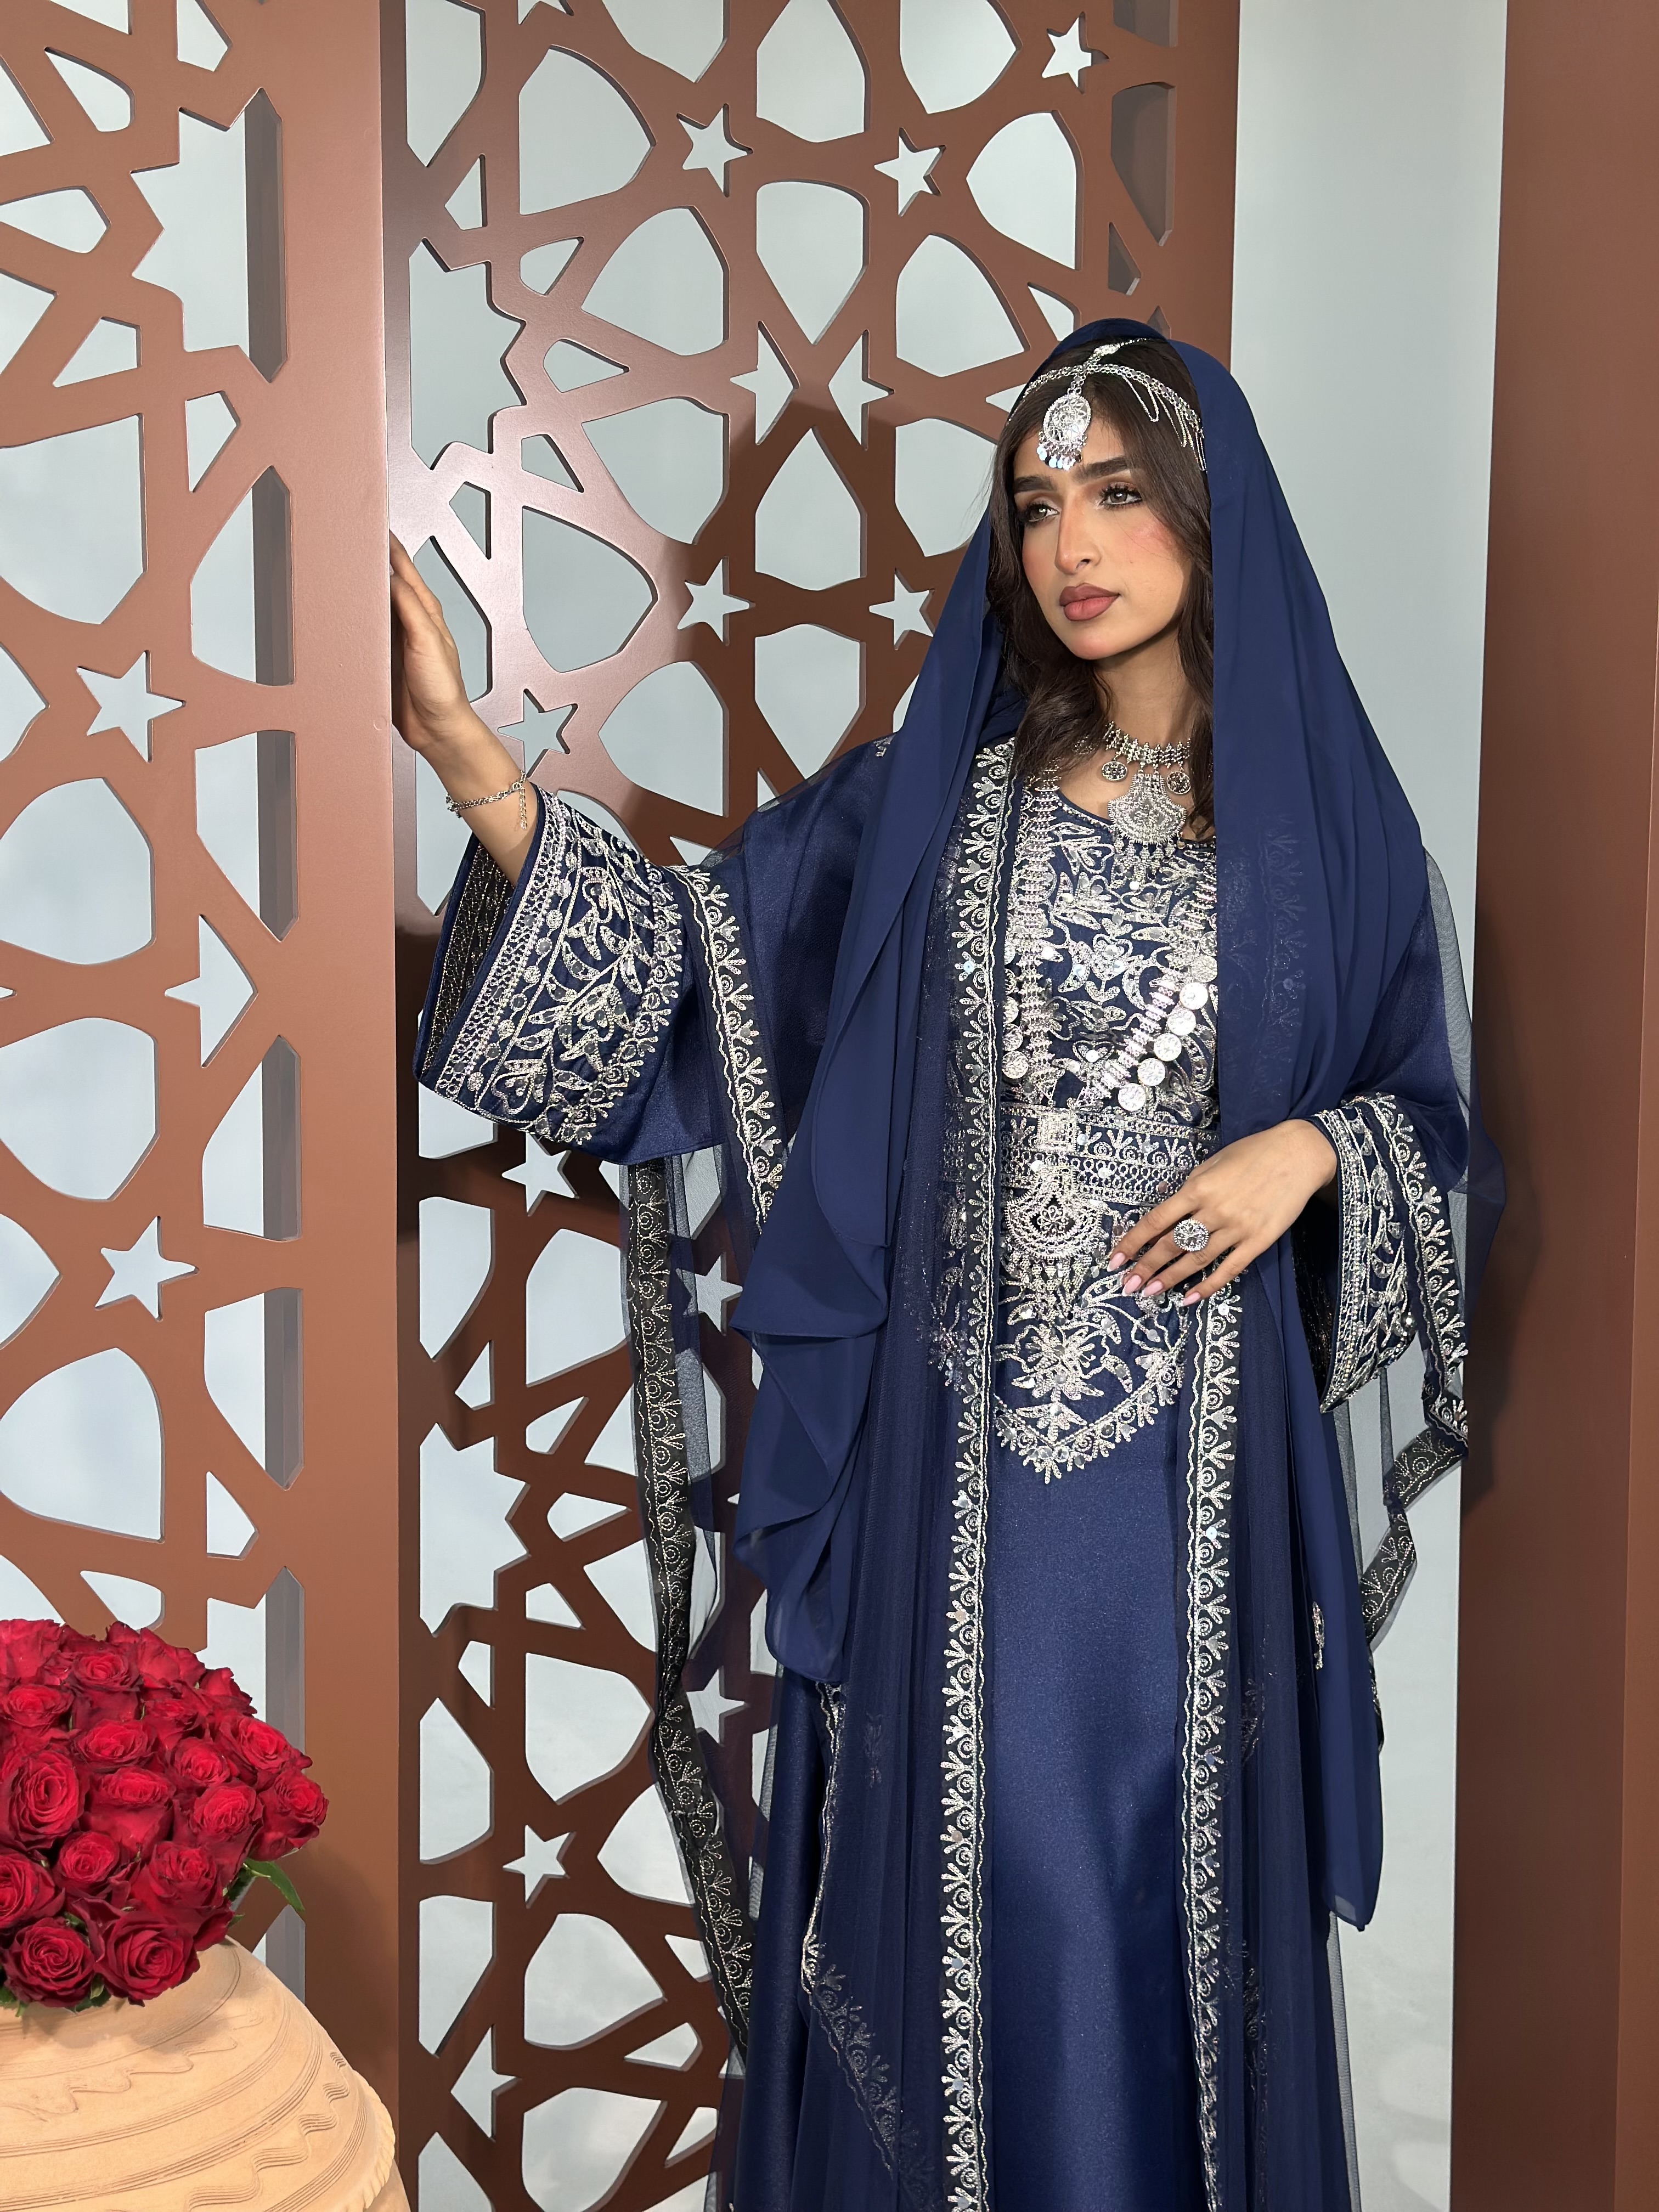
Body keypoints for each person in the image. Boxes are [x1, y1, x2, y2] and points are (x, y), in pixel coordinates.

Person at [392, 320, 1499, 2212]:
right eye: (1038, 504)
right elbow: (683, 982)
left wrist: (1316, 1149)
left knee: (1147, 1901)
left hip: (1196, 1496)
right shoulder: (937, 810)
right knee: (979, 1895)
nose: (1076, 542)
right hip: (954, 1488)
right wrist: (466, 755)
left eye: (1121, 492)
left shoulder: (1328, 839)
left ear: (1213, 507)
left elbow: (1439, 1125)